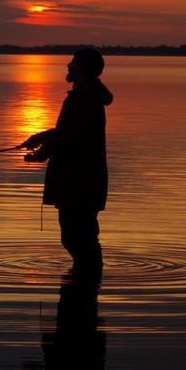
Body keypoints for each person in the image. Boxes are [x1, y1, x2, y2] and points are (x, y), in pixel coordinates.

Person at [23, 48, 112, 274]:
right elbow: (66, 131)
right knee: (78, 238)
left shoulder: (85, 99)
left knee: (78, 238)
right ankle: (87, 288)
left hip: (79, 181)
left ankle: (88, 283)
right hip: (79, 181)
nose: (68, 65)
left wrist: (41, 153)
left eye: (73, 62)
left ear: (83, 68)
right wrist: (41, 137)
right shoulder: (84, 97)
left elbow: (71, 137)